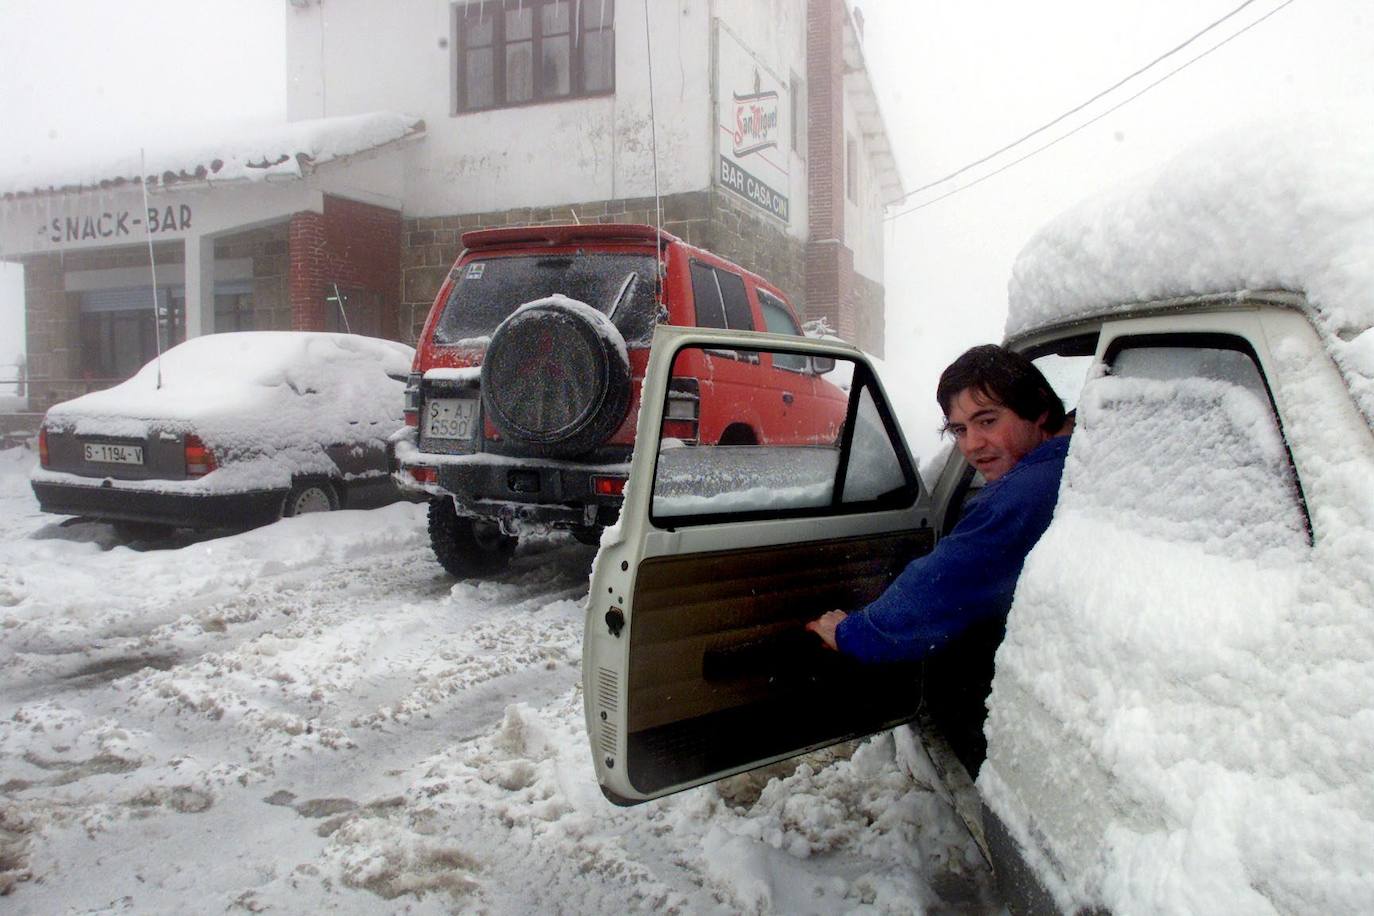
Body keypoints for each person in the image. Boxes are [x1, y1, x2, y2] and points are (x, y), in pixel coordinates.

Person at [805, 344, 1073, 771]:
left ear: (1039, 409)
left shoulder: (1027, 490)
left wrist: (855, 631)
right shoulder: (1073, 454)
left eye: (987, 421)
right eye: (960, 430)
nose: (973, 445)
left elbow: (941, 587)